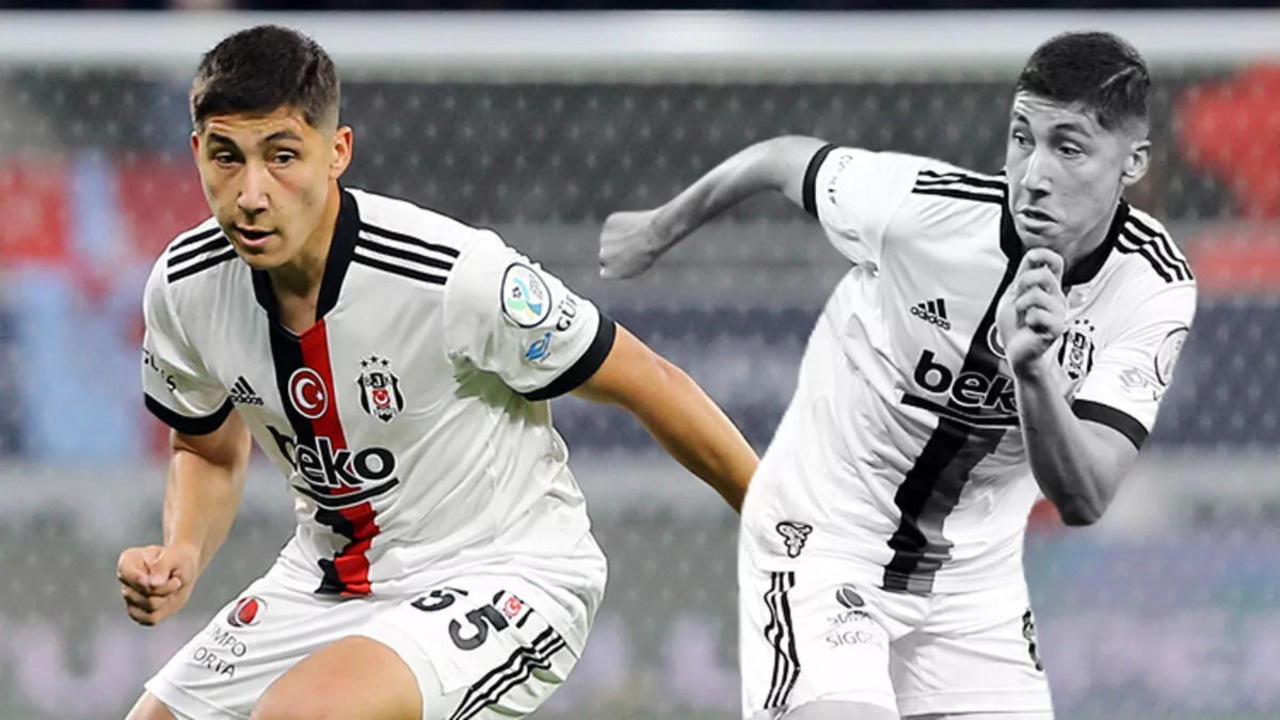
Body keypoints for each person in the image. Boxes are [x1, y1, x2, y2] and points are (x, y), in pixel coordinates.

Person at [119, 24, 757, 720]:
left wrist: (792, 539)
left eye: (281, 157)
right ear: (196, 155)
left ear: (337, 153)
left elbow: (650, 382)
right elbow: (208, 449)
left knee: (303, 717)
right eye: (226, 158)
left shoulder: (452, 276)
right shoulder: (185, 286)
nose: (250, 194)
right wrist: (181, 548)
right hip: (327, 578)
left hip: (504, 568)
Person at [600, 31, 1195, 720]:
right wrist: (656, 230)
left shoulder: (1153, 287)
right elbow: (779, 159)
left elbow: (1086, 496)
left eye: (1068, 148)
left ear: (1133, 163)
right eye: (1020, 137)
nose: (1033, 174)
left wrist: (1033, 374)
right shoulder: (918, 211)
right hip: (826, 540)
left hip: (974, 584)